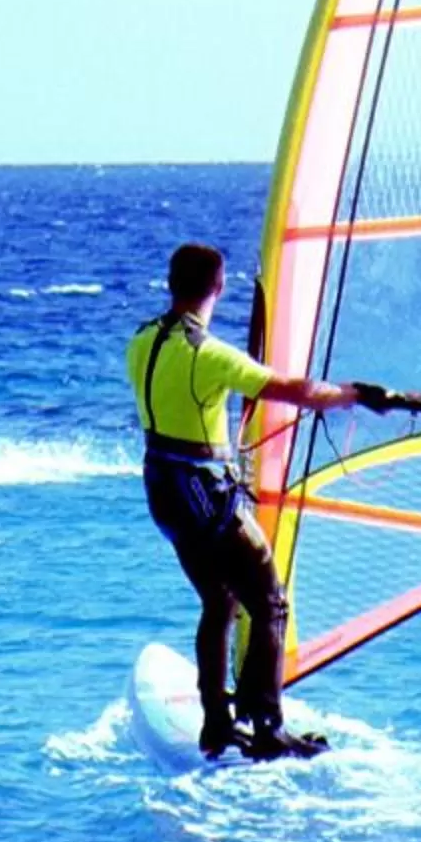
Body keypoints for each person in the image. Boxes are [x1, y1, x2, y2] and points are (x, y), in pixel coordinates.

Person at [127, 241, 361, 762]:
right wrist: (352, 395)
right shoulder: (207, 354)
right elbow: (293, 390)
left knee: (219, 601)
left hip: (163, 491)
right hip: (207, 497)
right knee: (269, 600)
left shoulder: (141, 341)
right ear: (219, 287)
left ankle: (217, 724)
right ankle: (268, 728)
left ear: (171, 283)